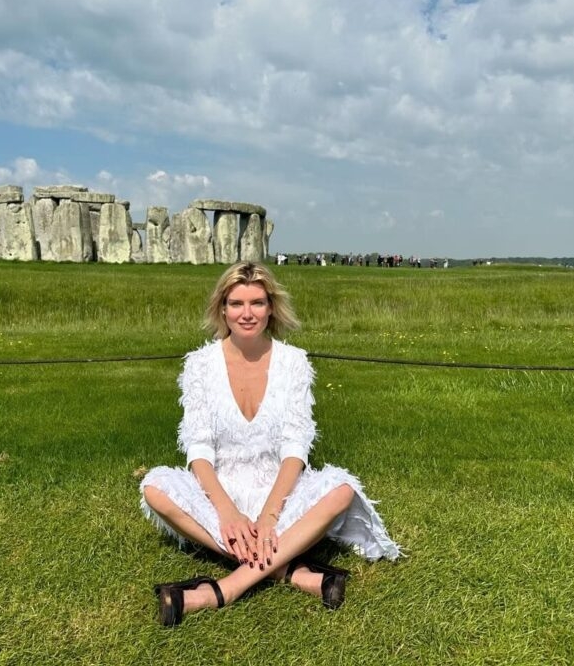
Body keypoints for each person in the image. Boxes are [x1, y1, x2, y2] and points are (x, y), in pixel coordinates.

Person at [140, 262, 400, 626]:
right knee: (155, 487)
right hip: (220, 485)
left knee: (341, 490)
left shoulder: (293, 362)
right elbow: (198, 449)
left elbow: (296, 446)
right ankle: (289, 571)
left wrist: (269, 516)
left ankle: (225, 588)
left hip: (278, 486)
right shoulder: (200, 364)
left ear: (271, 308)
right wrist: (228, 512)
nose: (247, 314)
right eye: (236, 303)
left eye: (257, 303)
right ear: (222, 309)